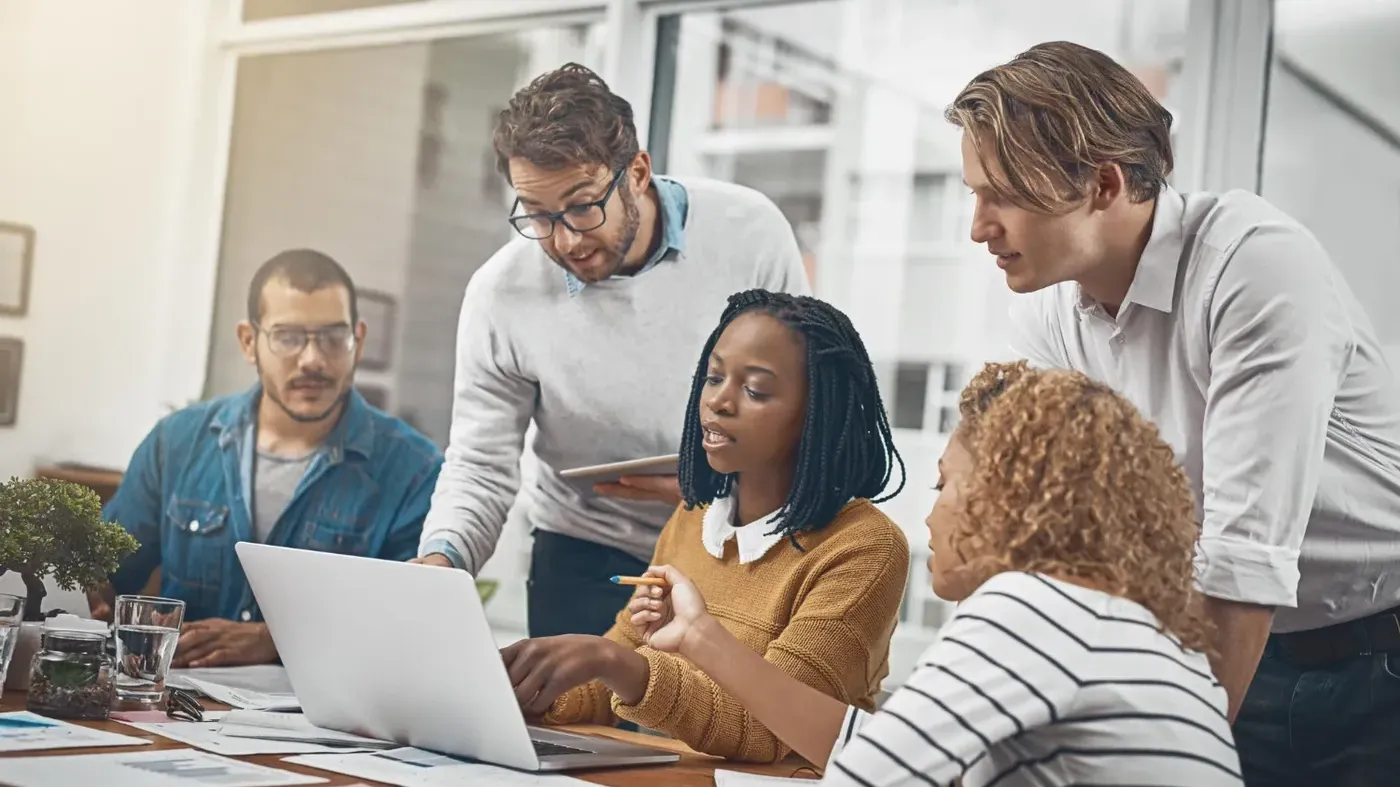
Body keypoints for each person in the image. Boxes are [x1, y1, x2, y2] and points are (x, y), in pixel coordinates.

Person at [946, 41, 1400, 784]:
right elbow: (1068, 538)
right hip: (1219, 637)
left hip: (1373, 667)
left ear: (1103, 183)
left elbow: (1242, 558)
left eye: (1002, 194)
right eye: (973, 192)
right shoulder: (1050, 314)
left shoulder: (1253, 264)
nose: (977, 227)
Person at [630, 361, 1242, 786]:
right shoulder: (1141, 633)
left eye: (945, 483)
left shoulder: (1029, 610)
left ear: (1009, 498)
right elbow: (872, 752)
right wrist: (701, 639)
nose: (931, 512)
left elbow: (869, 779)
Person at [413, 63, 810, 638]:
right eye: (539, 216)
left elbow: (809, 407)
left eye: (582, 206)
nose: (567, 239)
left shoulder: (750, 233)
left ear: (638, 173)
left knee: (719, 725)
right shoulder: (500, 294)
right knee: (573, 724)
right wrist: (440, 564)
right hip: (583, 551)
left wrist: (726, 484)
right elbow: (481, 463)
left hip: (736, 543)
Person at [499, 290, 909, 762]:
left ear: (817, 415)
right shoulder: (695, 518)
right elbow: (618, 665)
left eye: (754, 390)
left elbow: (771, 733)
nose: (718, 401)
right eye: (714, 377)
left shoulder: (864, 548)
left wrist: (616, 662)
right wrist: (531, 691)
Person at [93, 249, 442, 668]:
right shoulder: (177, 443)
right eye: (289, 337)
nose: (313, 359)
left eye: (334, 338)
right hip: (175, 707)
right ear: (248, 341)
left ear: (359, 340)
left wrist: (276, 639)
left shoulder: (414, 470)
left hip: (319, 721)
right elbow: (103, 576)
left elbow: (409, 627)